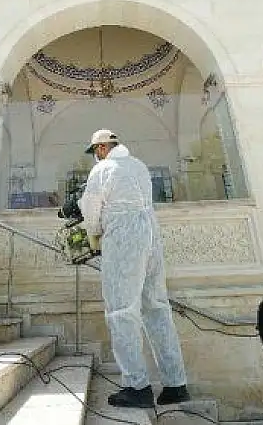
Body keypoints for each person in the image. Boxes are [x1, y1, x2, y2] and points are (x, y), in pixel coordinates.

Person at [78, 129, 190, 408]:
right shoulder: (139, 165)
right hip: (150, 234)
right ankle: (175, 384)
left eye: (95, 151)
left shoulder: (103, 169)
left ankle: (137, 387)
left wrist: (94, 233)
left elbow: (91, 210)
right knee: (157, 307)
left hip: (125, 236)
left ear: (102, 148)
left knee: (121, 310)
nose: (96, 156)